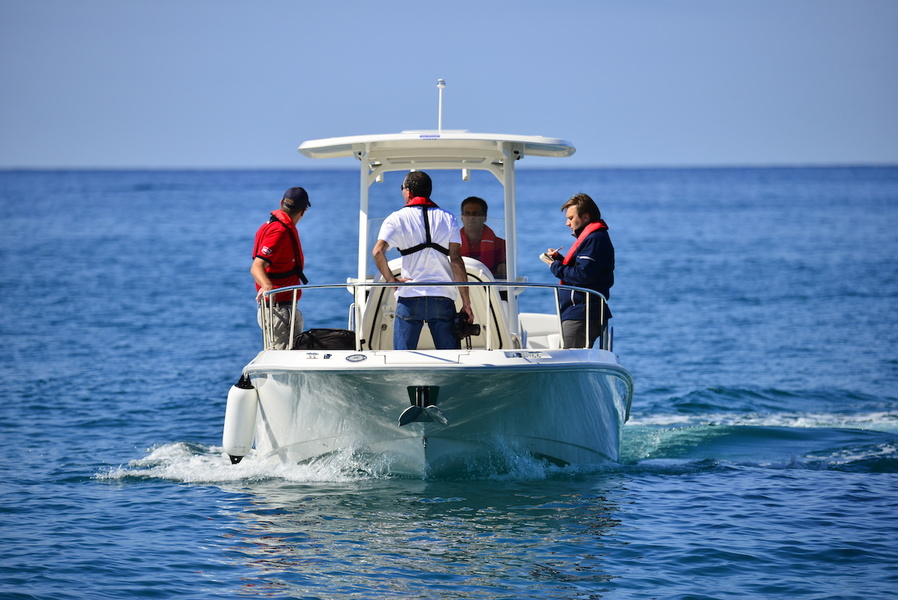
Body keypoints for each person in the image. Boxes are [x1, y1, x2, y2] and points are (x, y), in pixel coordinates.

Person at [372, 171, 474, 350]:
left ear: (409, 191)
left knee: (402, 361)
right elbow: (456, 261)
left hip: (410, 297)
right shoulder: (448, 218)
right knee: (452, 361)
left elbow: (378, 252)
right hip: (442, 298)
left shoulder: (396, 218)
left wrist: (391, 280)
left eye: (402, 188)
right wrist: (466, 302)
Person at [543, 193, 615, 349]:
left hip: (583, 314)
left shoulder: (595, 239)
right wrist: (560, 260)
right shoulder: (593, 238)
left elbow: (583, 275)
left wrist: (555, 266)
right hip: (579, 313)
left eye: (570, 218)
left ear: (586, 217)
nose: (567, 223)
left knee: (569, 360)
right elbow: (582, 270)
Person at [251, 187, 311, 349]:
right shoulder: (279, 232)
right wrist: (267, 286)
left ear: (281, 203)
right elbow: (257, 266)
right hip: (279, 311)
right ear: (303, 211)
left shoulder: (271, 226)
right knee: (284, 360)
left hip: (282, 309)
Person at [459, 196, 507, 279]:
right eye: (467, 213)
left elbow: (504, 275)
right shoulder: (452, 244)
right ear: (462, 217)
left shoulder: (500, 244)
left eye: (476, 213)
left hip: (491, 289)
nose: (471, 217)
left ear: (485, 217)